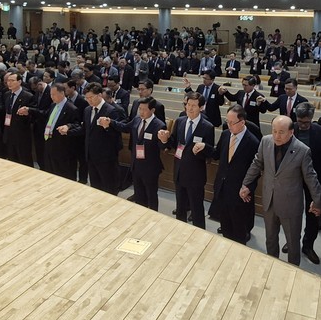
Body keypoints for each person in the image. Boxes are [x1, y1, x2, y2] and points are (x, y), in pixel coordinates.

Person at [240, 115, 321, 266]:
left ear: (291, 132)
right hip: (269, 201)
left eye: (281, 132)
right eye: (274, 131)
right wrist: (246, 184)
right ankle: (273, 266)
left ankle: (293, 273)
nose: (276, 136)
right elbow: (257, 163)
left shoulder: (302, 150)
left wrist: (318, 202)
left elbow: (311, 179)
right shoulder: (265, 141)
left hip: (290, 205)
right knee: (270, 240)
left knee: (292, 244)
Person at [158, 92, 215, 228]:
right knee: (180, 208)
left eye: (194, 106)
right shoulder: (180, 121)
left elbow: (211, 153)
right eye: (188, 105)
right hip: (179, 172)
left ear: (201, 107)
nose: (190, 108)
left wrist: (204, 147)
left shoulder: (207, 127)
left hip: (196, 175)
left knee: (197, 210)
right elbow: (173, 143)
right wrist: (164, 139)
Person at [209, 105, 261, 244]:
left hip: (240, 193)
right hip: (223, 189)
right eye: (227, 122)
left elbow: (256, 170)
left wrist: (248, 187)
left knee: (238, 232)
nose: (229, 125)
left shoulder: (252, 142)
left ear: (242, 122)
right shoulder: (226, 135)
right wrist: (204, 148)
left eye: (232, 122)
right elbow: (217, 154)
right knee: (225, 227)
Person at [103, 96, 165, 211]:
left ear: (152, 110)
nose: (141, 112)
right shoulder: (137, 119)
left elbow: (162, 146)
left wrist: (164, 139)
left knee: (151, 196)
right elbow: (126, 127)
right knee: (139, 194)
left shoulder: (159, 125)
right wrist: (111, 122)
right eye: (140, 109)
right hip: (136, 165)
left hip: (150, 167)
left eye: (144, 109)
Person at [67, 82, 124, 194]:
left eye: (91, 97)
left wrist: (107, 127)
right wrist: (68, 131)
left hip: (106, 157)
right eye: (87, 98)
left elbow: (117, 134)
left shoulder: (111, 110)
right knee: (95, 187)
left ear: (99, 95)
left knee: (109, 187)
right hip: (91, 155)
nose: (89, 100)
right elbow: (85, 130)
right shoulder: (88, 110)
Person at [294, 103, 321, 264]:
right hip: (292, 177)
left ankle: (308, 245)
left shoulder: (320, 132)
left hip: (313, 178)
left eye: (306, 122)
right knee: (292, 212)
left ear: (312, 118)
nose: (302, 125)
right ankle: (292, 240)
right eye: (300, 121)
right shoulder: (290, 128)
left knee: (313, 214)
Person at [30, 82, 81, 180]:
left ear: (62, 93)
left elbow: (78, 124)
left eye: (54, 94)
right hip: (49, 141)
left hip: (62, 146)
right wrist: (30, 110)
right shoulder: (53, 105)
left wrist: (68, 126)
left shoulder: (71, 108)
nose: (52, 97)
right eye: (50, 94)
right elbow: (45, 115)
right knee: (50, 170)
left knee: (62, 172)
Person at [2, 72, 35, 166]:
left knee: (24, 160)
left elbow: (35, 114)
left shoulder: (28, 96)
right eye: (8, 80)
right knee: (12, 160)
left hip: (22, 134)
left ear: (19, 81)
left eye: (12, 80)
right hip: (9, 132)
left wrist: (28, 111)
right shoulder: (7, 94)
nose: (9, 83)